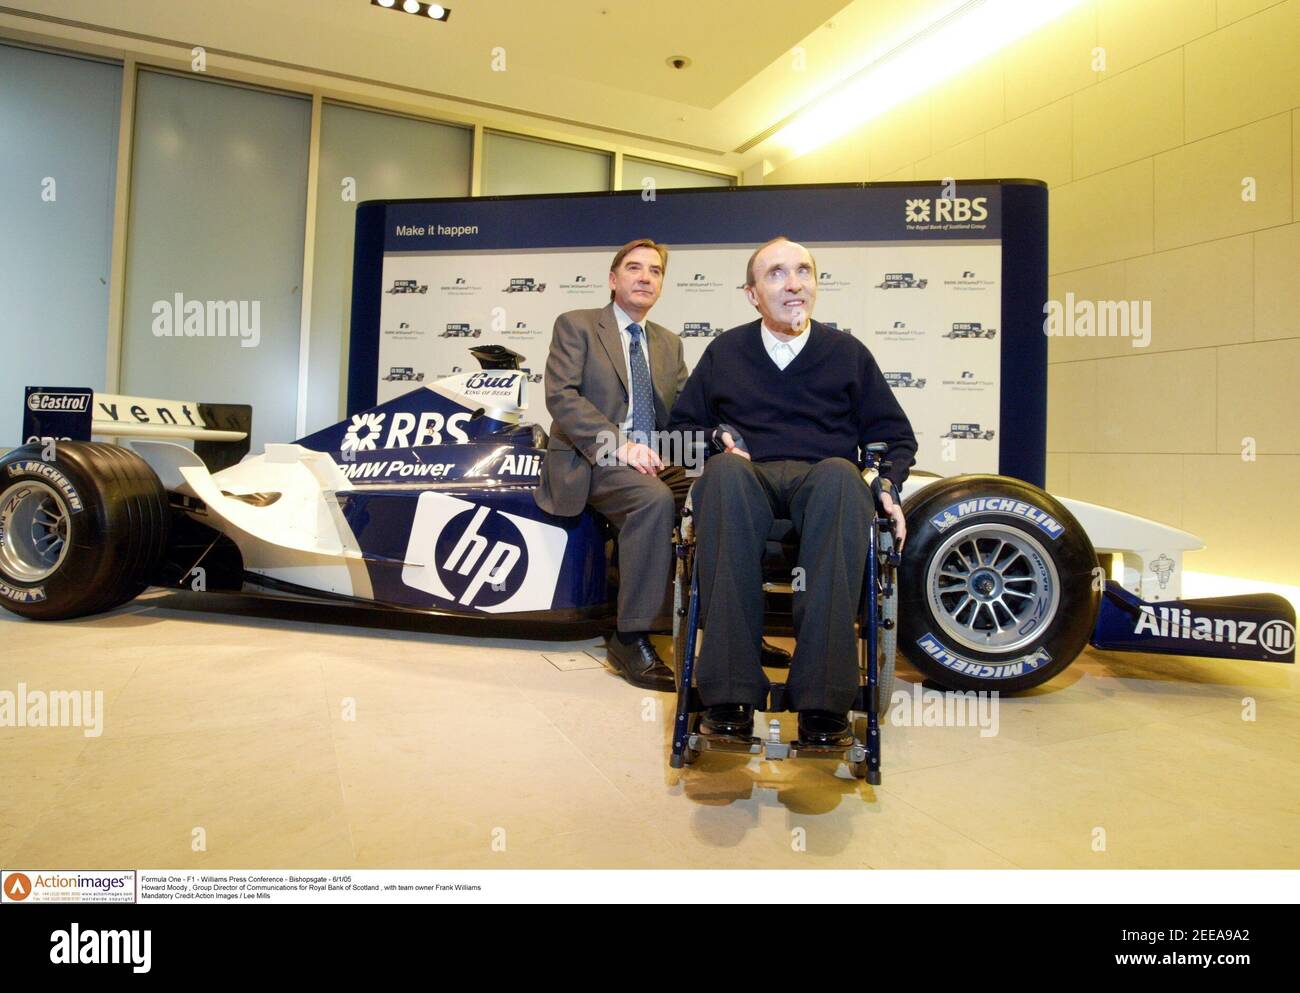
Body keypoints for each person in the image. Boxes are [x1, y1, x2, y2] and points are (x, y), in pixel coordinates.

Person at [668, 237, 916, 744]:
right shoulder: (726, 351)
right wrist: (715, 439)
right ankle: (730, 691)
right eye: (777, 274)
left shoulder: (846, 353)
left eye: (803, 271)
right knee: (722, 475)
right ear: (752, 293)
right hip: (747, 480)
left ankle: (824, 699)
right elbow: (679, 437)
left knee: (843, 479)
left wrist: (888, 483)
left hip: (822, 484)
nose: (794, 283)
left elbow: (895, 436)